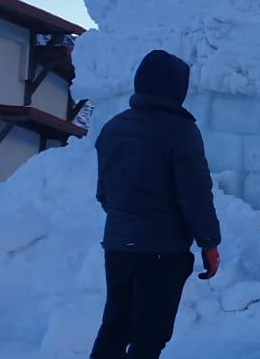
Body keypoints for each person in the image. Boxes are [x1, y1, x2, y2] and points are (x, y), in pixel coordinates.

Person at [92, 49, 220, 359]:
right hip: (163, 252)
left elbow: (104, 194)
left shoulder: (112, 128)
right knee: (150, 335)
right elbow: (195, 195)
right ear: (176, 88)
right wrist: (209, 243)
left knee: (115, 326)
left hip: (119, 247)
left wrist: (128, 223)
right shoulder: (182, 132)